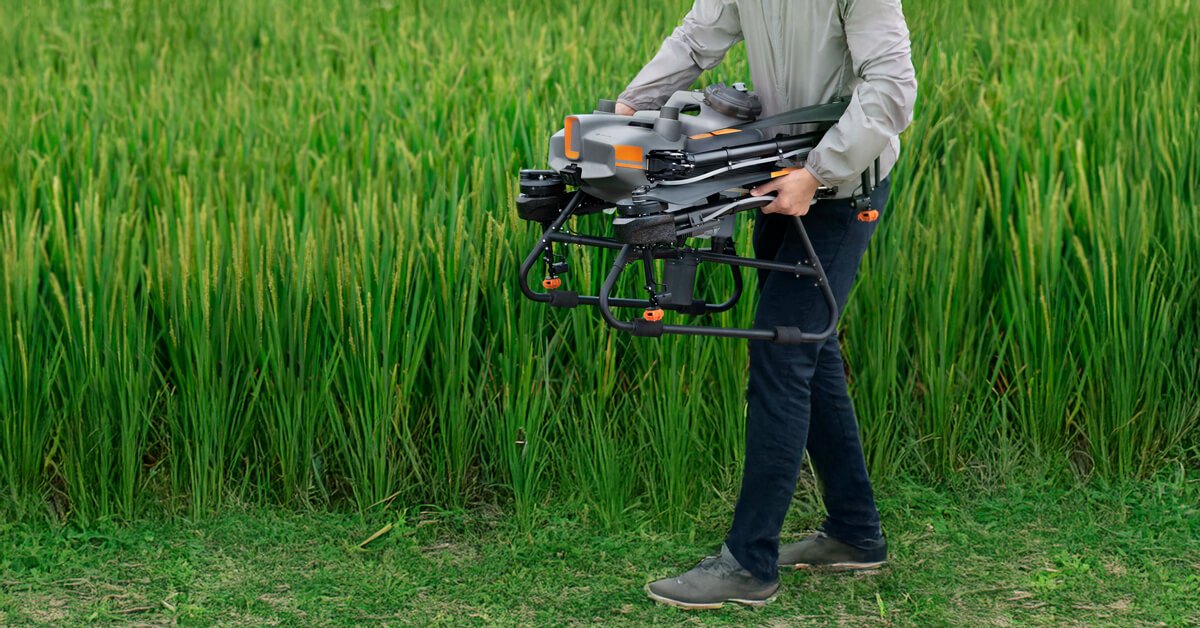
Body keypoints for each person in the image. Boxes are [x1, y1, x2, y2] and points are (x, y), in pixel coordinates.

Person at [614, 0, 918, 609]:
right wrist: (630, 108)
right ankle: (856, 534)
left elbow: (890, 89)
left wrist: (818, 172)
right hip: (771, 174)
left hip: (838, 185)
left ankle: (749, 564)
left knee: (781, 354)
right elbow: (698, 39)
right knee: (808, 344)